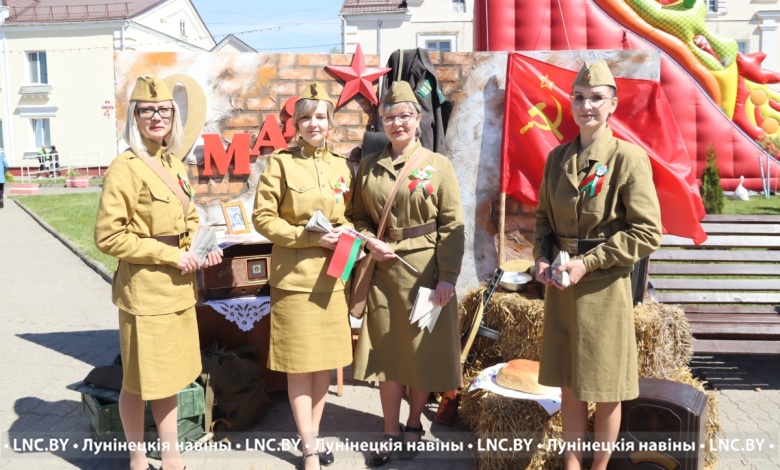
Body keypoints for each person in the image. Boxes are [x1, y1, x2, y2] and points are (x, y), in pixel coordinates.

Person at [532, 60, 663, 470]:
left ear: (612, 106)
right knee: (570, 385)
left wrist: (588, 264)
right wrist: (540, 258)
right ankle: (573, 464)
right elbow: (542, 220)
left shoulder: (627, 159)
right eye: (579, 98)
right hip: (561, 287)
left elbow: (647, 232)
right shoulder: (557, 158)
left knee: (605, 387)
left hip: (603, 287)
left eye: (596, 99)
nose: (586, 106)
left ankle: (599, 466)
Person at [94, 76, 222, 470]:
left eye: (164, 110)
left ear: (173, 116)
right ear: (135, 116)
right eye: (147, 110)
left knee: (169, 379)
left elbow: (187, 219)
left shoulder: (172, 164)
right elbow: (108, 236)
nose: (156, 117)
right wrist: (169, 256)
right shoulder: (125, 167)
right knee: (137, 382)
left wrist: (203, 247)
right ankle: (136, 459)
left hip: (178, 290)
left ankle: (171, 458)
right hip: (146, 293)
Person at [347, 81, 465, 467]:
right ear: (382, 121)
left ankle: (414, 423)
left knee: (419, 353)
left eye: (405, 116)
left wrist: (447, 276)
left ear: (418, 120)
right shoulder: (368, 166)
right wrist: (368, 241)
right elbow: (356, 217)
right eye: (390, 116)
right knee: (387, 353)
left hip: (425, 273)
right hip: (382, 272)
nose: (398, 123)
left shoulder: (438, 165)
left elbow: (452, 225)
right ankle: (389, 428)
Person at [252, 82, 353, 470]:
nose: (314, 124)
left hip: (332, 277)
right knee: (299, 362)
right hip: (295, 278)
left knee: (324, 362)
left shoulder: (341, 166)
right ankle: (309, 447)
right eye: (306, 117)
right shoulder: (280, 163)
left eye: (321, 117)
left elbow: (346, 216)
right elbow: (264, 218)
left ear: (330, 123)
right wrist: (305, 237)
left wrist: (345, 234)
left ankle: (313, 432)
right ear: (296, 123)